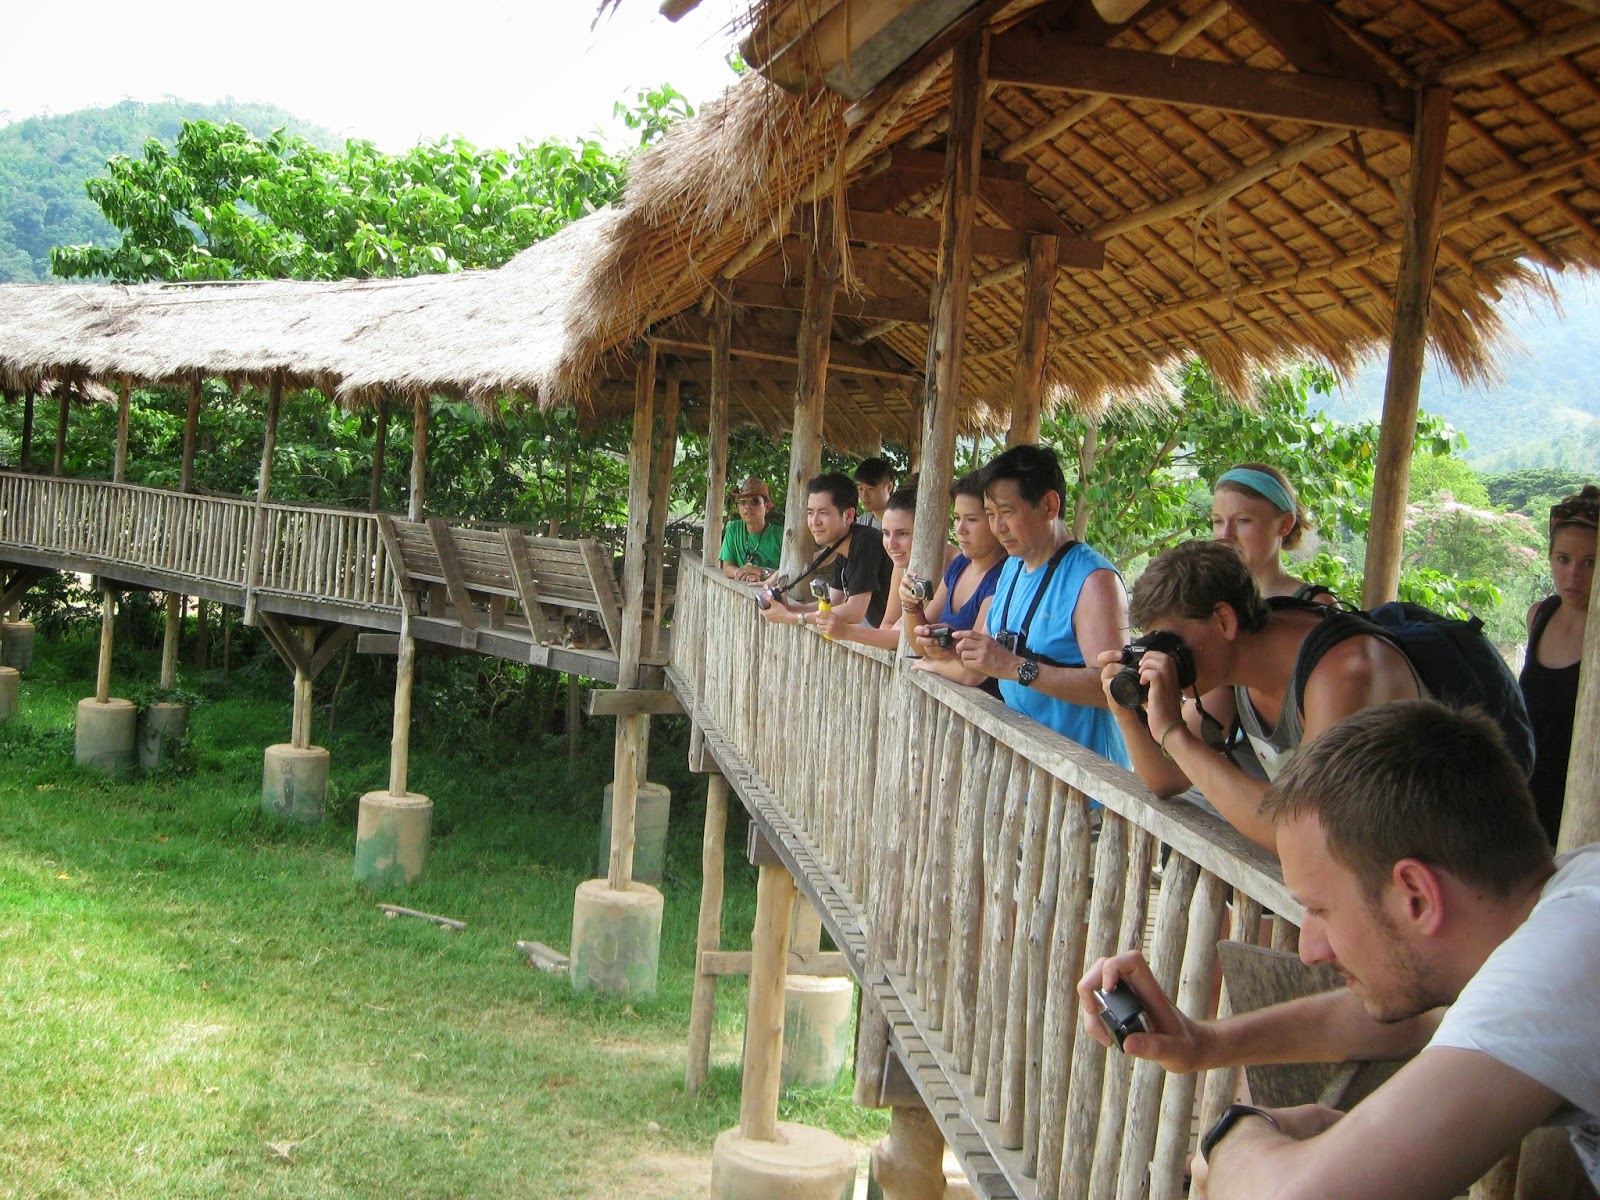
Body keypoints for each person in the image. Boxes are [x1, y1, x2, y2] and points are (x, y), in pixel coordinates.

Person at [1077, 701, 1600, 1200]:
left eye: (1320, 910)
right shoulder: (1568, 903)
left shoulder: (1569, 953)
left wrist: (1238, 1133)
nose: (1309, 948)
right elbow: (1418, 1024)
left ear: (1415, 896)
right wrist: (1203, 1044)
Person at [1102, 540, 1420, 850]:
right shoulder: (1231, 663)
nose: (1164, 655)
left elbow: (1301, 830)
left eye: (1170, 640)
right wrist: (1127, 713)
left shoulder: (1340, 672)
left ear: (1224, 620)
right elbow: (1168, 778)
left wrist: (1173, 733)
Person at [925, 444, 1130, 768]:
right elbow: (987, 659)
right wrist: (945, 650)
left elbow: (1114, 690)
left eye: (1006, 512)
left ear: (1049, 505)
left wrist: (1013, 668)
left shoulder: (1093, 581)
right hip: (1026, 768)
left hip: (1086, 780)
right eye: (991, 515)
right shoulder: (1012, 567)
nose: (997, 527)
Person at [1521, 483, 1598, 844]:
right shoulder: (1539, 616)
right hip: (1526, 791)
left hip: (1583, 799)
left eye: (1590, 563)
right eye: (1563, 559)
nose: (1573, 576)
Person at [757, 471, 893, 630]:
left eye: (823, 513)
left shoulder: (865, 542)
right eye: (810, 513)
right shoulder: (841, 545)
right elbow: (834, 602)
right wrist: (789, 610)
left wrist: (794, 618)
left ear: (848, 516)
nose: (814, 522)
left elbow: (854, 611)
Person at [902, 470, 1006, 642]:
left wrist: (935, 658)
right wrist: (911, 605)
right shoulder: (960, 564)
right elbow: (919, 641)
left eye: (971, 519)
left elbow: (975, 657)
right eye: (957, 518)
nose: (960, 529)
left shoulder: (1003, 576)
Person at [1210, 464, 1330, 601]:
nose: (1225, 535)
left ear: (1285, 524)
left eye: (1243, 520)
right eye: (1218, 521)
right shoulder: (1204, 599)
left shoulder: (1318, 607)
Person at [820, 485, 917, 649]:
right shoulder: (900, 567)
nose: (891, 544)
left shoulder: (947, 566)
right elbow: (887, 625)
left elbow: (912, 639)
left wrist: (847, 632)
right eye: (886, 533)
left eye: (902, 533)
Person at [718, 476, 783, 582]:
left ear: (767, 507)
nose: (747, 506)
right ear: (738, 508)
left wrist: (761, 573)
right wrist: (743, 574)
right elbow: (727, 567)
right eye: (743, 502)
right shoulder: (733, 529)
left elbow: (789, 573)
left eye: (754, 501)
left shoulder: (781, 535)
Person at [853, 457, 896, 531]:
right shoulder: (860, 523)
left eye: (870, 489)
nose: (864, 496)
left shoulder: (904, 521)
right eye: (860, 489)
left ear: (889, 487)